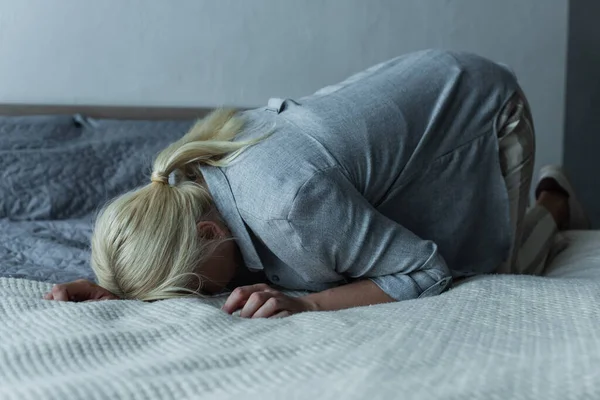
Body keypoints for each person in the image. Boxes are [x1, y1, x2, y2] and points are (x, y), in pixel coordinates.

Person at [43, 50, 590, 318]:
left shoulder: (290, 205)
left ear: (210, 231)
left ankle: (555, 198)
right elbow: (172, 255)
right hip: (412, 88)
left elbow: (426, 269)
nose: (205, 297)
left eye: (193, 288)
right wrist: (118, 285)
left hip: (481, 105)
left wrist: (308, 305)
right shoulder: (186, 177)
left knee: (497, 266)